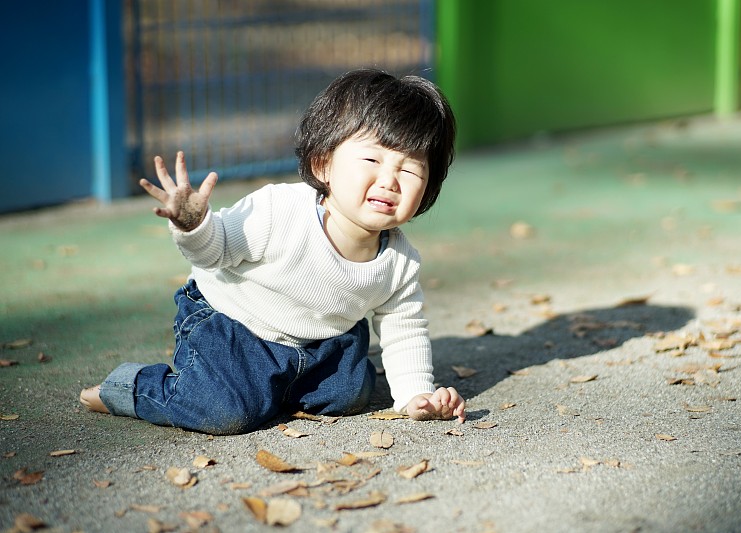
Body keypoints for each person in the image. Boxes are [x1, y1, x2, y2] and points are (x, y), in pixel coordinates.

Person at [79, 68, 465, 435]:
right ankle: (131, 387)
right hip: (233, 323)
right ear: (323, 164)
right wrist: (194, 225)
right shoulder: (279, 210)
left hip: (319, 341)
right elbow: (216, 251)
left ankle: (274, 385)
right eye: (372, 159)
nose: (389, 181)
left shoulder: (400, 261)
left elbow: (404, 330)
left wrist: (416, 396)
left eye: (411, 170)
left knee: (351, 394)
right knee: (226, 411)